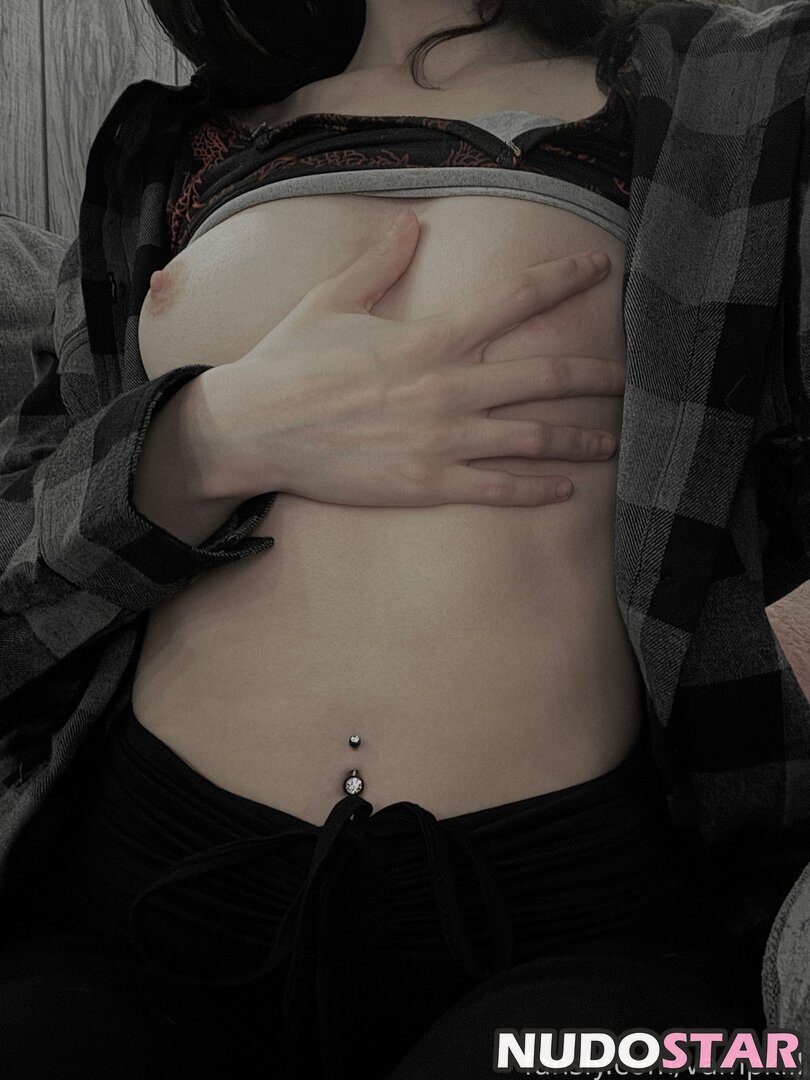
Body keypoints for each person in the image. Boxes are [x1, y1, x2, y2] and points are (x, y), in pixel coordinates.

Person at [0, 0, 808, 1077]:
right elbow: (18, 571)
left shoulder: (741, 80)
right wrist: (205, 441)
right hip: (143, 879)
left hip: (576, 907)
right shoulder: (159, 147)